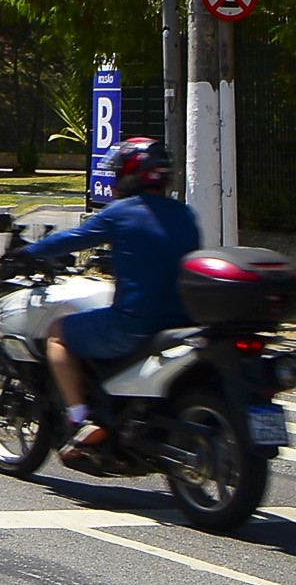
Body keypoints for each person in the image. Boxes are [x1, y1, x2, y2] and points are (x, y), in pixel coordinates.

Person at [21, 137, 198, 450]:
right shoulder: (185, 214)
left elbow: (74, 238)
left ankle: (79, 419)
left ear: (129, 175)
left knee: (58, 334)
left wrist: (28, 252)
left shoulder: (122, 212)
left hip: (134, 325)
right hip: (183, 323)